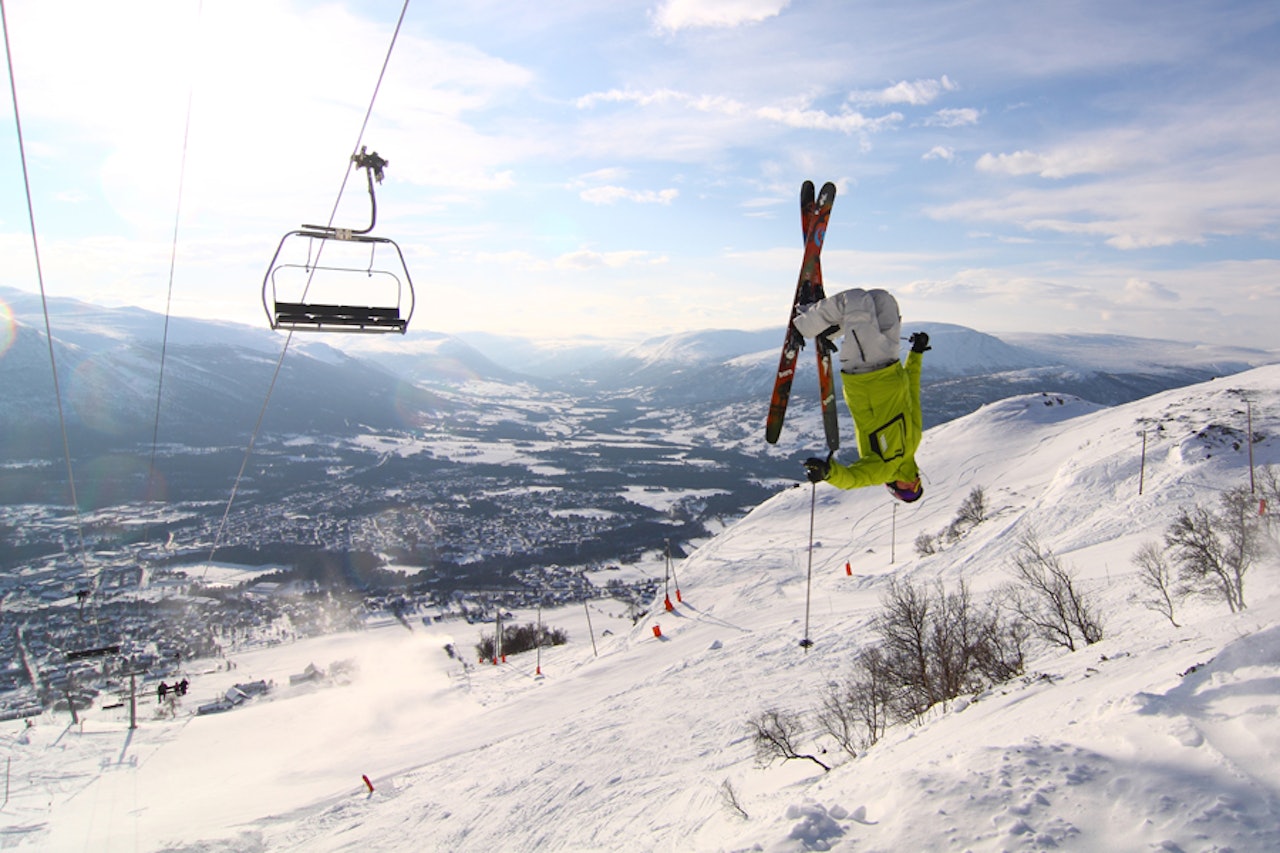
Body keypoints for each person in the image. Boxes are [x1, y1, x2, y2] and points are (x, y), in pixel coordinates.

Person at [792, 288, 929, 502]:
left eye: (907, 491)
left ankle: (803, 324)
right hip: (891, 364)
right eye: (918, 487)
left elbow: (853, 479)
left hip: (865, 372)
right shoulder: (914, 442)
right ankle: (829, 329)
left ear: (894, 488)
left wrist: (828, 473)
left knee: (856, 299)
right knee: (883, 300)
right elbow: (912, 392)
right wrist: (916, 353)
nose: (913, 484)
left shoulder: (883, 469)